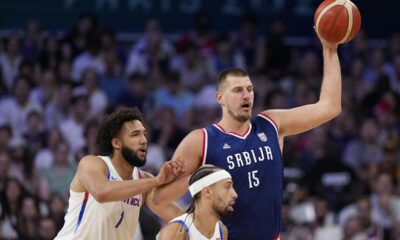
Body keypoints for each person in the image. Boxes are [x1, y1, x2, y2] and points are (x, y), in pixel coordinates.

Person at [153, 34, 342, 240]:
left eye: (249, 89)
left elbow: (329, 107)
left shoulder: (271, 124)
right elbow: (158, 199)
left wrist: (330, 49)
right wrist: (194, 180)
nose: (246, 95)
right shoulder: (201, 140)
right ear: (220, 98)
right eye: (237, 90)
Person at [54, 107, 185, 239]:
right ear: (116, 143)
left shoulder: (143, 180)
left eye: (144, 134)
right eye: (135, 134)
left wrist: (192, 180)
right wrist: (156, 181)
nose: (143, 140)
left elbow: (182, 218)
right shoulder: (93, 164)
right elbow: (101, 192)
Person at [159, 165, 237, 240]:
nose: (235, 194)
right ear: (207, 192)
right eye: (227, 187)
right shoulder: (175, 232)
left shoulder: (222, 230)